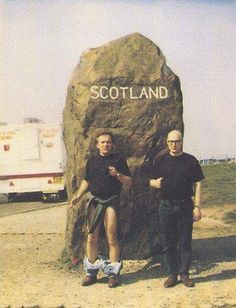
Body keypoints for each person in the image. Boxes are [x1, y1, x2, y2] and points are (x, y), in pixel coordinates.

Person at [70, 131, 132, 288]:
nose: (106, 144)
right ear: (97, 145)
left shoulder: (118, 160)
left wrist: (117, 174)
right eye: (103, 142)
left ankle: (113, 274)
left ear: (113, 144)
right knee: (92, 237)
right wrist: (78, 196)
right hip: (95, 201)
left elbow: (129, 182)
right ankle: (91, 273)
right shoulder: (92, 161)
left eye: (109, 142)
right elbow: (87, 180)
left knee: (112, 237)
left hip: (111, 201)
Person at [149, 130, 204, 288]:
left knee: (185, 242)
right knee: (168, 242)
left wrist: (197, 206)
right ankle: (172, 274)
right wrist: (154, 183)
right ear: (167, 143)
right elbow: (150, 180)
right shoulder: (160, 161)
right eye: (171, 142)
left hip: (185, 205)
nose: (174, 144)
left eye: (177, 141)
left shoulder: (190, 161)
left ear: (182, 142)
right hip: (165, 205)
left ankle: (184, 274)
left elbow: (198, 183)